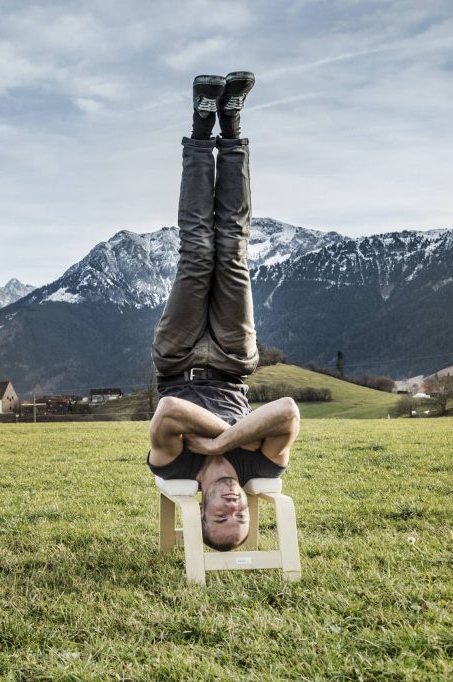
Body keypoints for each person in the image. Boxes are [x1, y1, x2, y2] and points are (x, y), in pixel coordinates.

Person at [147, 72, 301, 552]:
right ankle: (231, 128)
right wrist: (227, 439)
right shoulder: (260, 467)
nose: (234, 504)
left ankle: (200, 125)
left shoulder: (177, 467)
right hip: (235, 362)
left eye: (221, 515)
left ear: (201, 513)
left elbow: (170, 410)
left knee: (197, 250)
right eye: (239, 516)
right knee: (232, 248)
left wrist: (219, 444)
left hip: (177, 359)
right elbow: (288, 412)